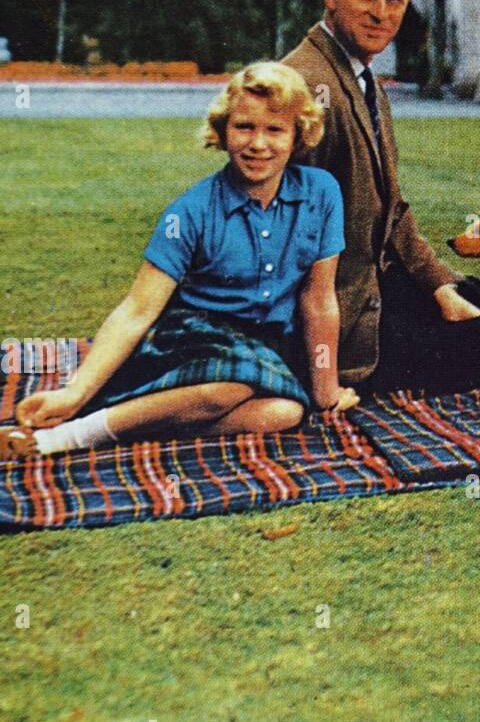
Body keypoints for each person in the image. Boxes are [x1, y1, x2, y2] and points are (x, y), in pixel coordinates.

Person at [0, 63, 354, 459]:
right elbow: (137, 310)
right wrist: (74, 392)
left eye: (274, 130)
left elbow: (319, 300)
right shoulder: (189, 212)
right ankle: (65, 437)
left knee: (285, 412)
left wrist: (327, 393)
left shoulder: (322, 194)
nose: (258, 144)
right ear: (222, 131)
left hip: (262, 350)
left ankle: (136, 422)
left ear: (297, 136)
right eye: (244, 127)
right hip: (188, 339)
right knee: (231, 385)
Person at [283, 0, 480, 397]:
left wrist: (442, 289)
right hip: (350, 327)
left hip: (383, 289)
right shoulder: (305, 86)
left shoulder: (363, 79)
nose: (381, 14)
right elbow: (281, 237)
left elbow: (393, 213)